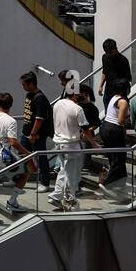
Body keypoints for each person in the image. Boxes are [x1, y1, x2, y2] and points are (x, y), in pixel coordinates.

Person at [50, 83, 96, 211]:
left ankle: (57, 195)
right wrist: (94, 144)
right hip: (71, 144)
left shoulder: (58, 104)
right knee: (72, 173)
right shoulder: (77, 109)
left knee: (64, 170)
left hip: (59, 143)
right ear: (75, 93)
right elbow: (86, 129)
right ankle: (71, 201)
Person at [19, 72, 53, 192]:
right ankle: (19, 177)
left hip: (37, 135)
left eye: (24, 84)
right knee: (22, 155)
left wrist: (33, 134)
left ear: (31, 84)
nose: (23, 86)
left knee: (41, 158)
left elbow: (39, 119)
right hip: (26, 132)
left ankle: (45, 182)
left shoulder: (40, 98)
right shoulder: (29, 95)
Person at [95, 81, 131, 194]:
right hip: (114, 130)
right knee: (118, 159)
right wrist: (127, 120)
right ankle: (108, 184)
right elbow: (120, 121)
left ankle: (120, 184)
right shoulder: (123, 102)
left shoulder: (114, 97)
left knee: (114, 157)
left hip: (105, 128)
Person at [98, 38, 133, 112]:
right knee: (107, 113)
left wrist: (126, 92)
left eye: (110, 52)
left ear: (115, 49)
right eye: (106, 52)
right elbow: (105, 72)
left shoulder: (123, 60)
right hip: (108, 91)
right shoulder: (105, 57)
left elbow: (128, 78)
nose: (108, 54)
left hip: (119, 93)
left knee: (119, 115)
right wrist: (101, 86)